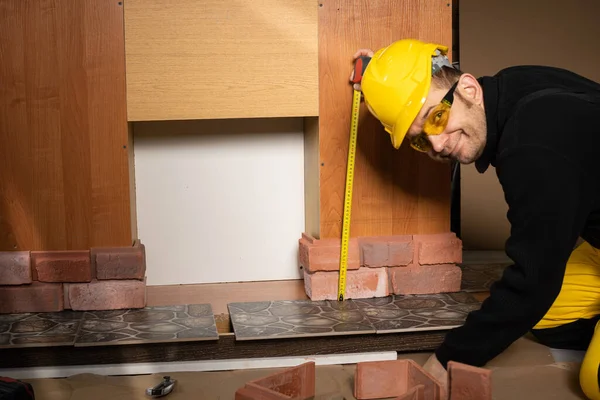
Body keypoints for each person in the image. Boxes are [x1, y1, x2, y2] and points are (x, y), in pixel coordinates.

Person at [350, 38, 600, 399]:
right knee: (545, 319)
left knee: (594, 380)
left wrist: (445, 362)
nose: (437, 146)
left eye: (436, 117)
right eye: (421, 140)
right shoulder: (510, 88)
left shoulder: (533, 146)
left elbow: (532, 284)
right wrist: (378, 75)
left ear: (468, 88)